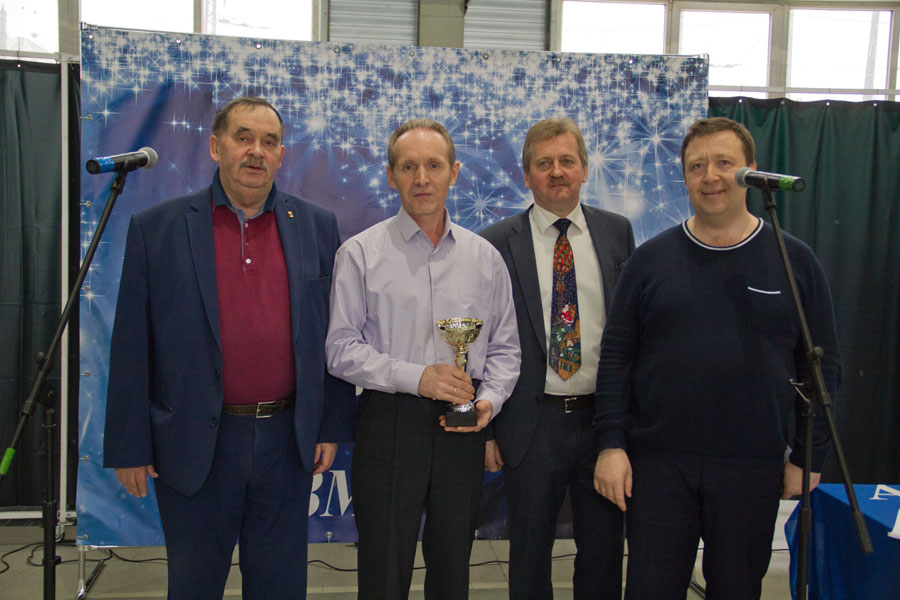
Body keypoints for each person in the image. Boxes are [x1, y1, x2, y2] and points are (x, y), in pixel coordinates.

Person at [103, 96, 355, 600]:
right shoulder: (158, 228)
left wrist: (330, 424)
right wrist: (130, 447)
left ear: (281, 155)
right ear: (216, 147)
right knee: (194, 585)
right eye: (243, 138)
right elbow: (132, 342)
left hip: (286, 441)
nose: (256, 151)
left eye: (269, 141)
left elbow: (332, 332)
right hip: (196, 441)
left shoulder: (317, 225)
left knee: (280, 586)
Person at [593, 117, 842, 599]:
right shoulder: (650, 260)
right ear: (684, 177)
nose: (710, 176)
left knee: (737, 589)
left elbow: (823, 365)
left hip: (752, 465)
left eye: (724, 163)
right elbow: (617, 357)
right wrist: (611, 443)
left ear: (750, 170)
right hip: (659, 465)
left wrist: (810, 456)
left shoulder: (794, 260)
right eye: (697, 166)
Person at [325, 118, 521, 599]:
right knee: (384, 568)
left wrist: (489, 401)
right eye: (408, 167)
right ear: (390, 176)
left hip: (463, 425)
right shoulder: (360, 254)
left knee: (453, 565)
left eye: (433, 166)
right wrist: (418, 378)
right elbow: (340, 349)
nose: (422, 179)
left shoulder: (484, 258)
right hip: (388, 420)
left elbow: (505, 348)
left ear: (454, 172)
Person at [480, 116, 634, 599]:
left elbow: (629, 331)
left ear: (585, 169)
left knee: (604, 552)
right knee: (528, 555)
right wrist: (488, 429)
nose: (557, 172)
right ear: (526, 175)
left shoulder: (617, 233)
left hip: (603, 422)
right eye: (544, 164)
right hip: (531, 423)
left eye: (567, 161)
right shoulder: (496, 242)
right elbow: (483, 342)